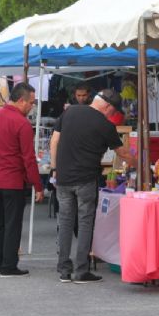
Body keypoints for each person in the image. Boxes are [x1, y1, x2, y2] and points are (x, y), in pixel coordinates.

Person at [50, 89, 132, 283]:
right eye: (113, 111)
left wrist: (55, 168)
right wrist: (140, 163)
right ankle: (81, 271)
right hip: (86, 178)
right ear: (107, 106)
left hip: (63, 177)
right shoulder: (105, 125)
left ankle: (63, 269)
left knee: (66, 222)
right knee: (85, 222)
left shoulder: (69, 112)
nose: (113, 115)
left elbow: (54, 140)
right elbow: (123, 153)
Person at [0, 82, 43, 277]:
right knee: (13, 224)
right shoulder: (22, 123)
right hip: (13, 180)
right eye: (31, 103)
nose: (32, 107)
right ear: (22, 100)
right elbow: (28, 158)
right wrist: (38, 185)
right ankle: (8, 265)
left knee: (0, 224)